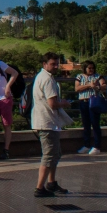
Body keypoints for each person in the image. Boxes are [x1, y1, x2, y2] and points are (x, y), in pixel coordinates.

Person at [30, 52, 71, 197]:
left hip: (46, 121)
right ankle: (39, 187)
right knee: (48, 155)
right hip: (47, 122)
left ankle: (51, 182)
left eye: (57, 64)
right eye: (53, 64)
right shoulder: (47, 80)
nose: (55, 67)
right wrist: (64, 103)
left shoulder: (41, 77)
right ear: (44, 64)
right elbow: (52, 104)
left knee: (55, 153)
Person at [74, 60, 106, 155]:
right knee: (86, 124)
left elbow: (104, 85)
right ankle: (86, 144)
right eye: (89, 68)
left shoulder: (97, 76)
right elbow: (77, 88)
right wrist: (89, 85)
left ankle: (97, 145)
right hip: (84, 102)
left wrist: (98, 87)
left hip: (94, 102)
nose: (91, 70)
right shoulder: (79, 77)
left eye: (92, 68)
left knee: (95, 123)